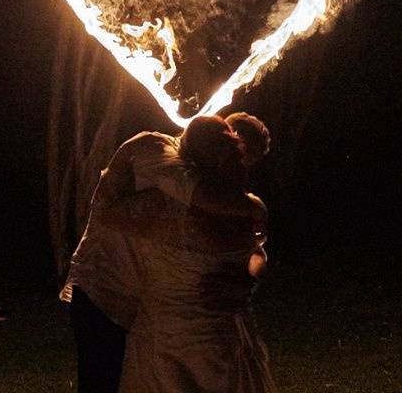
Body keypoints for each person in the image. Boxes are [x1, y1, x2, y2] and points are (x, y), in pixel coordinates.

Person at [62, 116, 263, 393]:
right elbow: (195, 194)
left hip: (161, 315)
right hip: (106, 291)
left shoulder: (226, 205)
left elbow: (256, 252)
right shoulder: (154, 150)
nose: (241, 165)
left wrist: (247, 276)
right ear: (228, 137)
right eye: (240, 152)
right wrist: (257, 208)